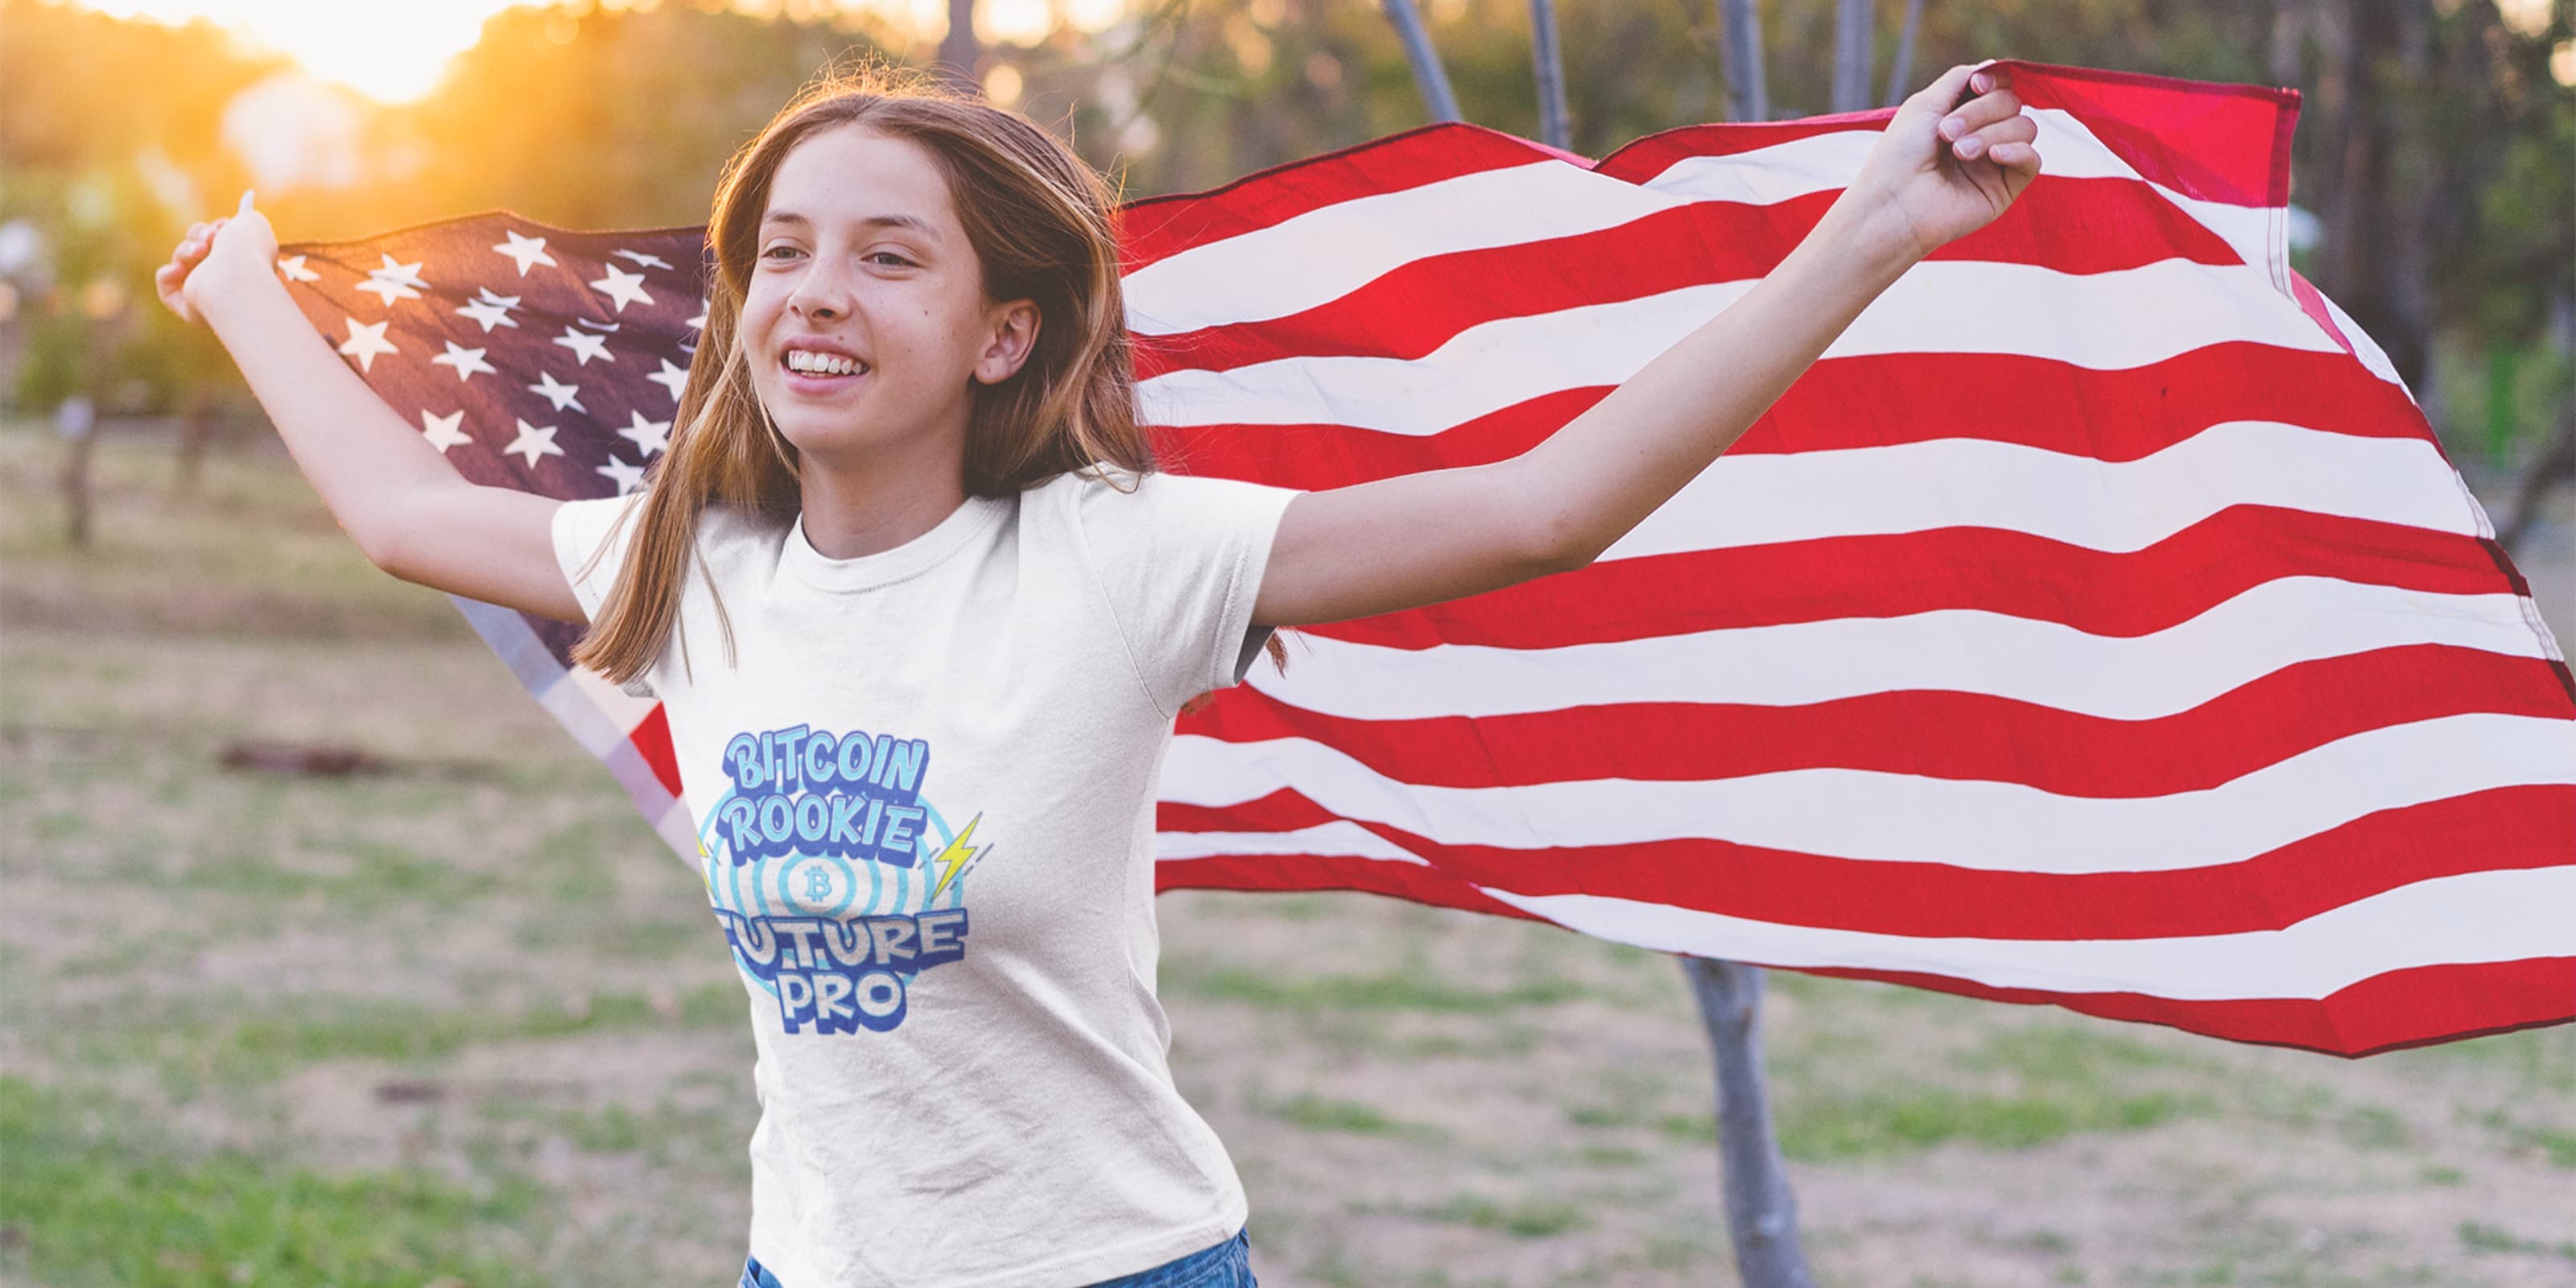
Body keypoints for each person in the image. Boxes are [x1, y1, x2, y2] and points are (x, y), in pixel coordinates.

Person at [157, 58, 2038, 1288]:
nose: (815, 289)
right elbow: (405, 509)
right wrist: (237, 284)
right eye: (783, 251)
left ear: (1003, 332)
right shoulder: (689, 558)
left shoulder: (1119, 557)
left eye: (889, 257)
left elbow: (1546, 504)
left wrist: (1874, 226)